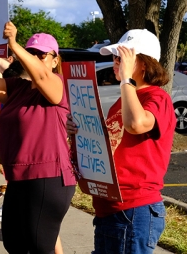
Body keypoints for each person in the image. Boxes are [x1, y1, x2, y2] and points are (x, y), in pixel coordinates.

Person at [0, 22, 76, 253]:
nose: (35, 57)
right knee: (14, 243)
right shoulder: (18, 87)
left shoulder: (57, 84)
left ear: (55, 59)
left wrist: (14, 44)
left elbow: (40, 77)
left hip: (48, 177)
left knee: (40, 247)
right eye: (31, 53)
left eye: (41, 54)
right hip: (18, 176)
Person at [67, 29, 176, 254]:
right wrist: (78, 131)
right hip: (110, 208)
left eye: (122, 57)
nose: (115, 62)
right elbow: (112, 144)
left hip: (135, 209)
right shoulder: (123, 100)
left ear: (143, 64)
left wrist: (127, 79)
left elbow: (136, 124)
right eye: (114, 57)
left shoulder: (157, 97)